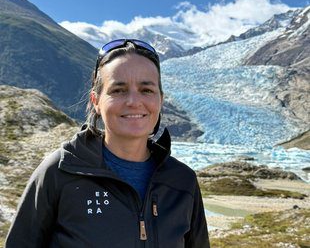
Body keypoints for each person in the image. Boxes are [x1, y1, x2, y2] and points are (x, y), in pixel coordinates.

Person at [5, 39, 210, 247]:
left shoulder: (183, 182)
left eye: (146, 90)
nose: (133, 101)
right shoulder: (60, 172)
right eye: (118, 90)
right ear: (96, 101)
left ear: (160, 100)